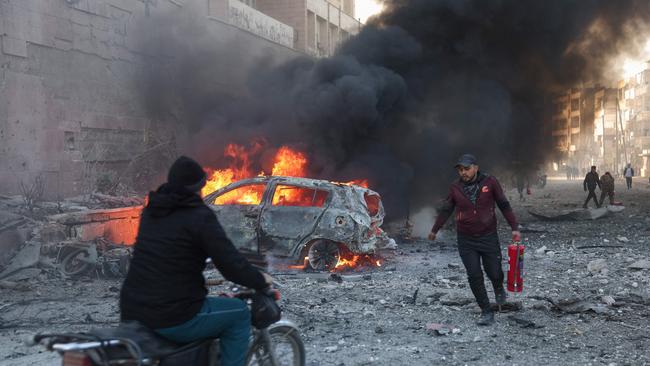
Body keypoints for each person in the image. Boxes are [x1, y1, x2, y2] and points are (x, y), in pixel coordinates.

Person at [120, 156, 272, 366]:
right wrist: (260, 280)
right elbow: (230, 264)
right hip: (174, 314)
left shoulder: (151, 211)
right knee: (239, 314)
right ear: (195, 188)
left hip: (132, 308)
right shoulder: (199, 216)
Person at [428, 154, 520, 326]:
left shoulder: (490, 182)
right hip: (466, 239)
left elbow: (503, 204)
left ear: (476, 167)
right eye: (460, 170)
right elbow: (446, 210)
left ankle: (498, 287)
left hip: (488, 236)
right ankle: (486, 310)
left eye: (467, 168)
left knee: (494, 271)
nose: (463, 172)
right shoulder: (455, 187)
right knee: (474, 275)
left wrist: (514, 227)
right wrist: (435, 230)